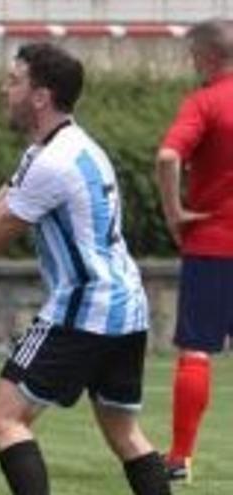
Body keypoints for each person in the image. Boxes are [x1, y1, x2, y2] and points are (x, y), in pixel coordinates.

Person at [0, 42, 170, 495]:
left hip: (84, 307)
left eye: (14, 81)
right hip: (126, 305)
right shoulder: (64, 147)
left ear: (40, 97)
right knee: (125, 433)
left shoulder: (53, 163)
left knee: (3, 420)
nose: (4, 89)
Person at [155, 18, 233, 483]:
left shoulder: (205, 102)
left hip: (213, 245)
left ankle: (180, 458)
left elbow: (168, 157)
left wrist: (174, 213)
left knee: (198, 351)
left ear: (206, 56)